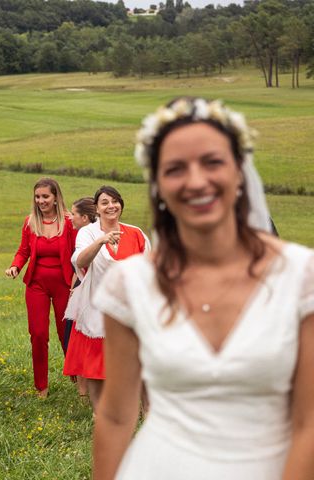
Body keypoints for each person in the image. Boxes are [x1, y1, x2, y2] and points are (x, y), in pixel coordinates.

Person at [93, 97, 314, 480]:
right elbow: (115, 416)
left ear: (240, 171)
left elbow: (309, 421)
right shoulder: (128, 285)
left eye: (212, 162)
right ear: (158, 183)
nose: (196, 181)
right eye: (175, 168)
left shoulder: (300, 276)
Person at [63, 186, 149, 414]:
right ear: (97, 209)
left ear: (120, 204)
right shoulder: (88, 233)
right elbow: (79, 261)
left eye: (114, 201)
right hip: (98, 307)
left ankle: (147, 411)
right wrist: (101, 241)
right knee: (96, 365)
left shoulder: (136, 233)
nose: (111, 206)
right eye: (104, 202)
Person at [6, 177, 76, 397]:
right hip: (37, 284)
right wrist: (15, 267)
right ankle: (41, 386)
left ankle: (78, 376)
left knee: (66, 332)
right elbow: (23, 251)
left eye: (45, 196)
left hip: (65, 284)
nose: (41, 201)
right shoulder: (30, 222)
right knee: (37, 334)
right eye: (37, 197)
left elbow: (79, 253)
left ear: (56, 197)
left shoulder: (69, 222)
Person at [63, 197, 96, 398]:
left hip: (91, 291)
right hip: (81, 288)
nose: (70, 218)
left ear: (84, 217)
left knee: (82, 341)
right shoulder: (83, 234)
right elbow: (77, 266)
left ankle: (85, 392)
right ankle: (84, 392)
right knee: (78, 340)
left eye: (74, 214)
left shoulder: (87, 234)